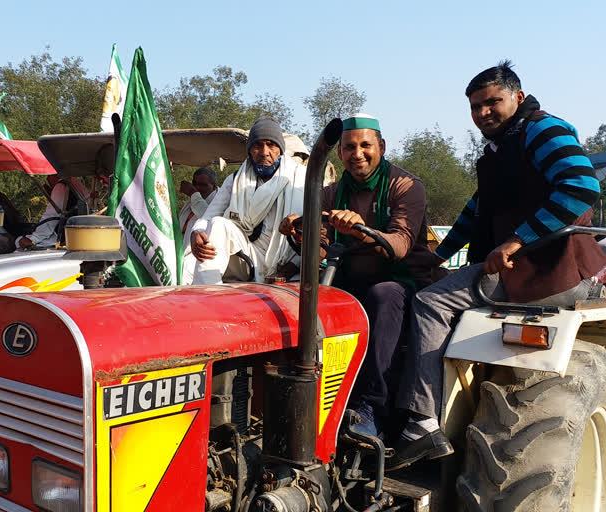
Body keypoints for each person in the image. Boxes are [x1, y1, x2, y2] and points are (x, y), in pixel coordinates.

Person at [390, 60, 606, 470]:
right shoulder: (502, 147)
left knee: (429, 304)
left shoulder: (542, 129)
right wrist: (436, 255)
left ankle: (420, 425)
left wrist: (515, 240)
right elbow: (477, 211)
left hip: (543, 271)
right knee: (425, 287)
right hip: (525, 267)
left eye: (493, 102)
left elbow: (582, 186)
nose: (483, 112)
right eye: (475, 106)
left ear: (518, 98)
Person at [280, 114, 438, 438]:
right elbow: (320, 251)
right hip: (348, 279)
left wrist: (360, 230)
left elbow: (400, 245)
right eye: (349, 147)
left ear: (381, 146)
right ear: (339, 153)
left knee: (383, 295)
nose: (358, 153)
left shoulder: (406, 186)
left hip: (403, 282)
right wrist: (298, 233)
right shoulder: (328, 193)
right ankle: (298, 391)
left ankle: (373, 409)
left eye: (366, 145)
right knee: (299, 293)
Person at [182, 117, 306, 284]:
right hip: (247, 255)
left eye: (271, 145)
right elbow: (208, 217)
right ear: (249, 150)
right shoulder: (235, 180)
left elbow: (316, 237)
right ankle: (208, 293)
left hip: (286, 261)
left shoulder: (300, 179)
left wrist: (290, 267)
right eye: (257, 145)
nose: (264, 152)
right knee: (218, 224)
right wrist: (196, 232)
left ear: (280, 150)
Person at [16, 174, 89, 250]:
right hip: (78, 234)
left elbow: (51, 215)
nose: (47, 179)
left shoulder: (60, 186)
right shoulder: (76, 183)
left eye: (48, 175)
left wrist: (34, 239)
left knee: (18, 241)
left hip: (62, 237)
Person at [178, 167, 218, 252]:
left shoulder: (219, 202)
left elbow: (208, 217)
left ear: (214, 186)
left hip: (196, 257)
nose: (197, 188)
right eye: (194, 183)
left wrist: (193, 193)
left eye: (203, 185)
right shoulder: (194, 198)